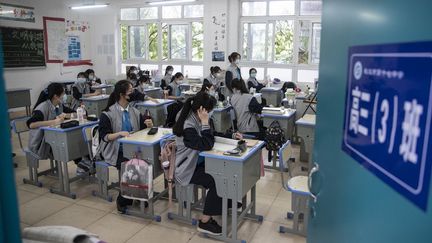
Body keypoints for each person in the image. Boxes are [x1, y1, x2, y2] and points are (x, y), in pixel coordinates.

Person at [173, 92, 228, 235]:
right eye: (209, 111)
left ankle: (222, 201)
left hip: (198, 163)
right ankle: (204, 222)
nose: (209, 114)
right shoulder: (188, 123)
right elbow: (206, 144)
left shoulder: (196, 116)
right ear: (201, 109)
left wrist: (231, 136)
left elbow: (211, 134)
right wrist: (205, 122)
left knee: (225, 172)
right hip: (187, 168)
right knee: (218, 180)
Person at [98, 80, 153, 213]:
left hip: (133, 149)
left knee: (147, 161)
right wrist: (118, 134)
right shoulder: (108, 113)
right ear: (122, 94)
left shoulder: (135, 111)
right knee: (132, 165)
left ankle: (139, 193)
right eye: (130, 91)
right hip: (115, 151)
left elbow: (141, 130)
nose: (133, 93)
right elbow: (105, 137)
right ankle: (123, 199)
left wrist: (148, 125)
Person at [26, 83, 75, 169]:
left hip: (53, 138)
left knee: (71, 142)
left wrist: (67, 115)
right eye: (63, 94)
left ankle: (82, 164)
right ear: (56, 96)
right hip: (40, 143)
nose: (65, 96)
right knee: (66, 147)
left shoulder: (59, 105)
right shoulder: (42, 108)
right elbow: (31, 124)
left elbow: (73, 112)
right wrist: (53, 122)